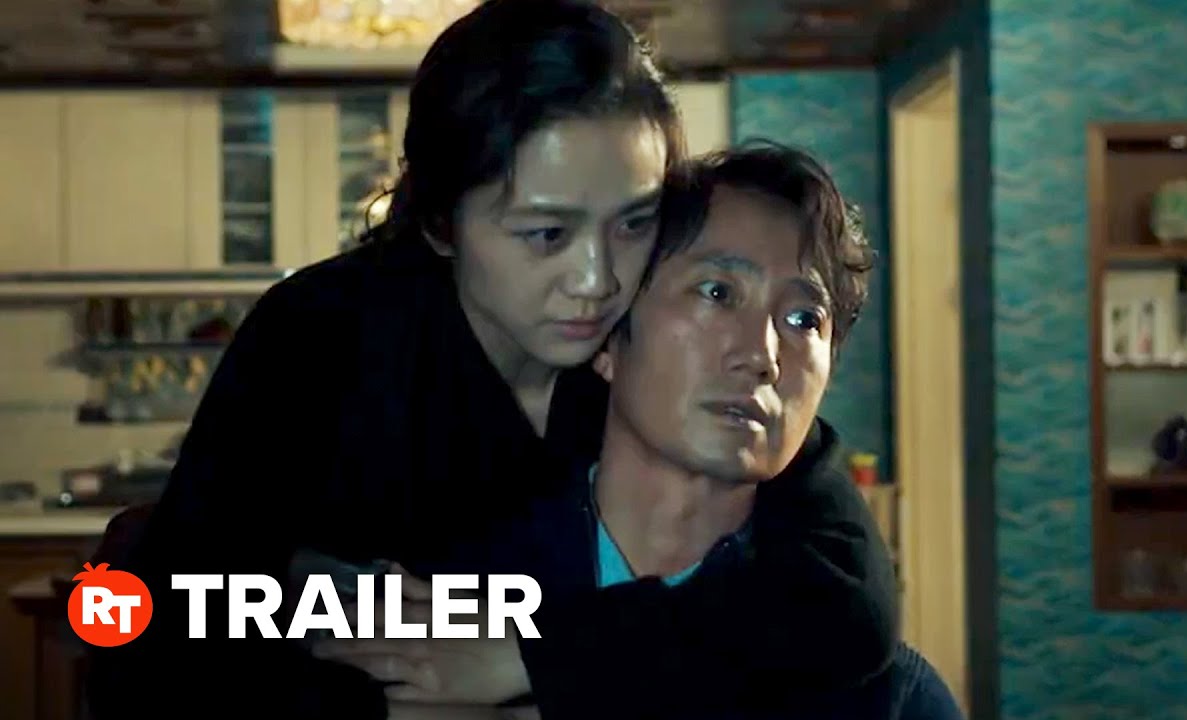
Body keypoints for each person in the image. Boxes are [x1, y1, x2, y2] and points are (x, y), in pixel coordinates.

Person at [84, 1, 897, 718]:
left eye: (633, 221)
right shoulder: (323, 335)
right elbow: (172, 624)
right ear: (442, 223)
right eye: (546, 232)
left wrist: (532, 659)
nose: (598, 280)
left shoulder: (655, 326)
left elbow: (845, 597)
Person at [314, 143, 957, 720]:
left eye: (803, 319)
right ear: (607, 335)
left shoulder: (877, 686)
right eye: (717, 292)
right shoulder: (439, 601)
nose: (762, 355)